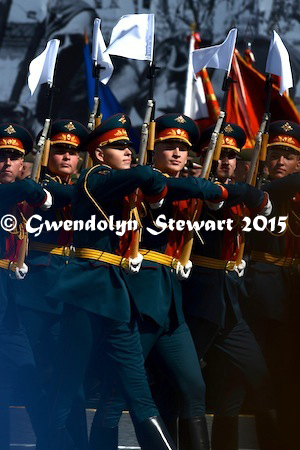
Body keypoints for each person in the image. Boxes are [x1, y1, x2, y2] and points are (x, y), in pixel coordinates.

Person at [89, 113, 232, 450]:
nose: (178, 154)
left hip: (170, 303)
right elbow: (167, 189)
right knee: (116, 395)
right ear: (153, 153)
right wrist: (205, 186)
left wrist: (222, 190)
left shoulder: (186, 185)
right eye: (169, 146)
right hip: (138, 301)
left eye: (183, 148)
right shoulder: (140, 180)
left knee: (193, 388)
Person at [45, 113, 176, 450]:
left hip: (114, 297)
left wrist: (157, 193)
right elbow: (147, 173)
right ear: (100, 155)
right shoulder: (96, 177)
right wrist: (157, 190)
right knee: (66, 385)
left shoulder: (118, 185)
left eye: (129, 146)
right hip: (87, 293)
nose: (128, 152)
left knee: (139, 394)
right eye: (119, 147)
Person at [182, 123, 281, 450]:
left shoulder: (240, 188)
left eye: (233, 156)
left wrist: (256, 193)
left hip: (231, 306)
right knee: (184, 386)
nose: (226, 162)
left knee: (259, 379)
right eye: (221, 154)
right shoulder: (195, 187)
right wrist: (251, 194)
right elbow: (216, 199)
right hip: (198, 303)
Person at [15, 119, 89, 450]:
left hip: (71, 289)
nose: (66, 157)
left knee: (71, 380)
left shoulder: (84, 187)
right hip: (36, 289)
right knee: (37, 374)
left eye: (73, 152)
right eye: (59, 150)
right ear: (46, 153)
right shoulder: (33, 186)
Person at [242, 120, 300, 449]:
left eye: (288, 156)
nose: (280, 161)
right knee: (264, 374)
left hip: (292, 292)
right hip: (263, 292)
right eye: (275, 154)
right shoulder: (262, 191)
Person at [0, 123, 52, 450]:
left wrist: (44, 192)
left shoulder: (23, 196)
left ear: (24, 164)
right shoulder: (15, 192)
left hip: (12, 313)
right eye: (1, 156)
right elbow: (19, 192)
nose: (6, 162)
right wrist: (37, 190)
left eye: (14, 157)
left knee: (30, 377)